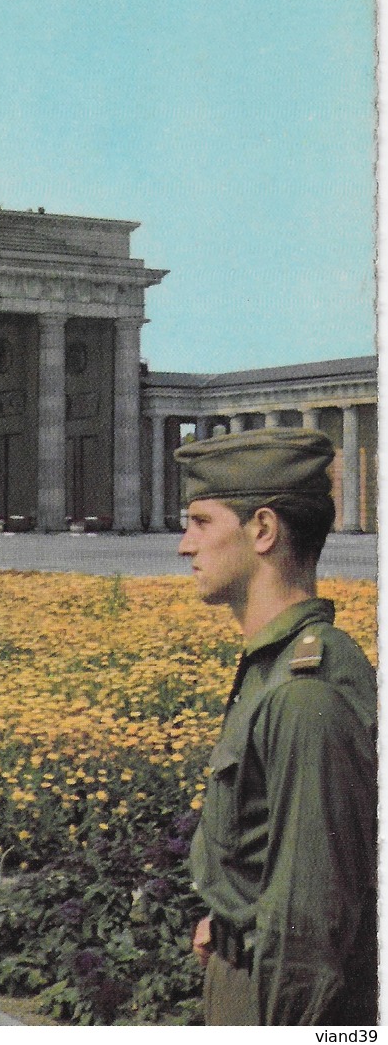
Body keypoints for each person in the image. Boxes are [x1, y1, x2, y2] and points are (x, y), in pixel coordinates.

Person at [174, 428, 377, 1026]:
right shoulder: (280, 668)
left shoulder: (303, 695)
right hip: (244, 976)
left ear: (263, 530)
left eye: (201, 522)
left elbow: (309, 930)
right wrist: (229, 915)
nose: (185, 546)